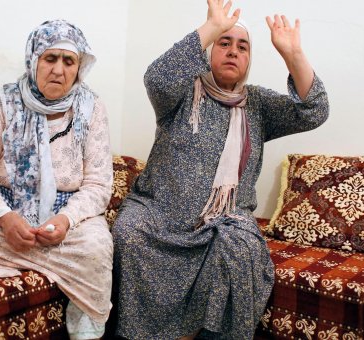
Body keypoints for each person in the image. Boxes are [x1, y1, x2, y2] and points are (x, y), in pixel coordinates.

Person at [111, 0, 329, 338]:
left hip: (225, 216)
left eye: (242, 47)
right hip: (158, 211)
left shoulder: (257, 104)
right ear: (209, 52)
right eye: (224, 43)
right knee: (128, 232)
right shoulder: (182, 93)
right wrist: (211, 26)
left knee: (240, 251)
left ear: (249, 59)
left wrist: (293, 54)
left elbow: (313, 111)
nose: (233, 51)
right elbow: (157, 77)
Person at [0, 19, 113, 340]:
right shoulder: (5, 102)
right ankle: (51, 263)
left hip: (66, 221)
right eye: (49, 58)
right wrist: (5, 219)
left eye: (68, 61)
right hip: (7, 212)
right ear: (33, 60)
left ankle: (30, 263)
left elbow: (98, 185)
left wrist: (66, 220)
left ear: (79, 67)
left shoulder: (91, 109)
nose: (58, 69)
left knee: (97, 247)